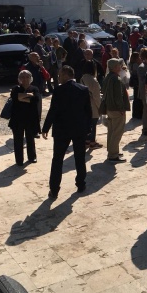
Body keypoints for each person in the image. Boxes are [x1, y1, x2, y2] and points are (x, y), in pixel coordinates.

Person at [42, 65, 92, 199]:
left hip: (62, 130)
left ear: (65, 75)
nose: (58, 78)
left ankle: (54, 189)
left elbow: (53, 110)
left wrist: (45, 128)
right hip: (79, 129)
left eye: (59, 75)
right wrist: (88, 128)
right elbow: (88, 111)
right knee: (80, 158)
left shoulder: (59, 90)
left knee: (57, 160)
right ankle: (81, 184)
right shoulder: (83, 89)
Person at [9, 70, 41, 165]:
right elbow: (15, 97)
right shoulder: (15, 89)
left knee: (30, 139)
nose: (25, 79)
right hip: (17, 119)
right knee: (18, 140)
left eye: (27, 77)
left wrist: (22, 97)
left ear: (30, 78)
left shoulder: (34, 88)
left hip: (30, 118)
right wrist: (29, 97)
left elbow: (36, 99)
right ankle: (19, 160)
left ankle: (32, 157)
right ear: (19, 79)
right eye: (22, 77)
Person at [102, 58, 129, 161]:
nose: (120, 67)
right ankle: (113, 154)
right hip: (116, 109)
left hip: (109, 108)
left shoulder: (107, 77)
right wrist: (121, 109)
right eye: (118, 65)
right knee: (117, 132)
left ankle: (112, 151)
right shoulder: (116, 79)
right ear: (114, 67)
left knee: (111, 131)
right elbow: (118, 96)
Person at [80, 60, 102, 149]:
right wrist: (100, 107)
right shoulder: (93, 80)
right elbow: (96, 96)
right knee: (93, 125)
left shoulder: (83, 78)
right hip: (93, 105)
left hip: (84, 105)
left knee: (87, 125)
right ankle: (92, 142)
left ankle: (86, 142)